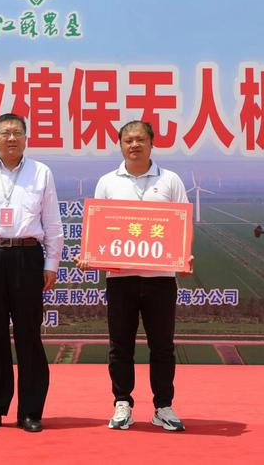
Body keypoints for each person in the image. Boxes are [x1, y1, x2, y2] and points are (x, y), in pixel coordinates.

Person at [77, 120, 191, 432]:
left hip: (161, 279)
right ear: (121, 145)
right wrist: (89, 255)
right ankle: (122, 403)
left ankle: (163, 406)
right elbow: (98, 229)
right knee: (120, 345)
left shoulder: (170, 181)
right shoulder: (107, 182)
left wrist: (184, 254)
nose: (134, 145)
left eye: (140, 139)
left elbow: (183, 224)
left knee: (162, 346)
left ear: (152, 143)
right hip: (120, 279)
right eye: (128, 140)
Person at [0, 113, 63, 433]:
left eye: (18, 132)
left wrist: (51, 263)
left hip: (28, 256)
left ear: (26, 138)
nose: (12, 138)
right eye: (5, 133)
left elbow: (53, 222)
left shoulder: (41, 172)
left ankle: (30, 411)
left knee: (29, 336)